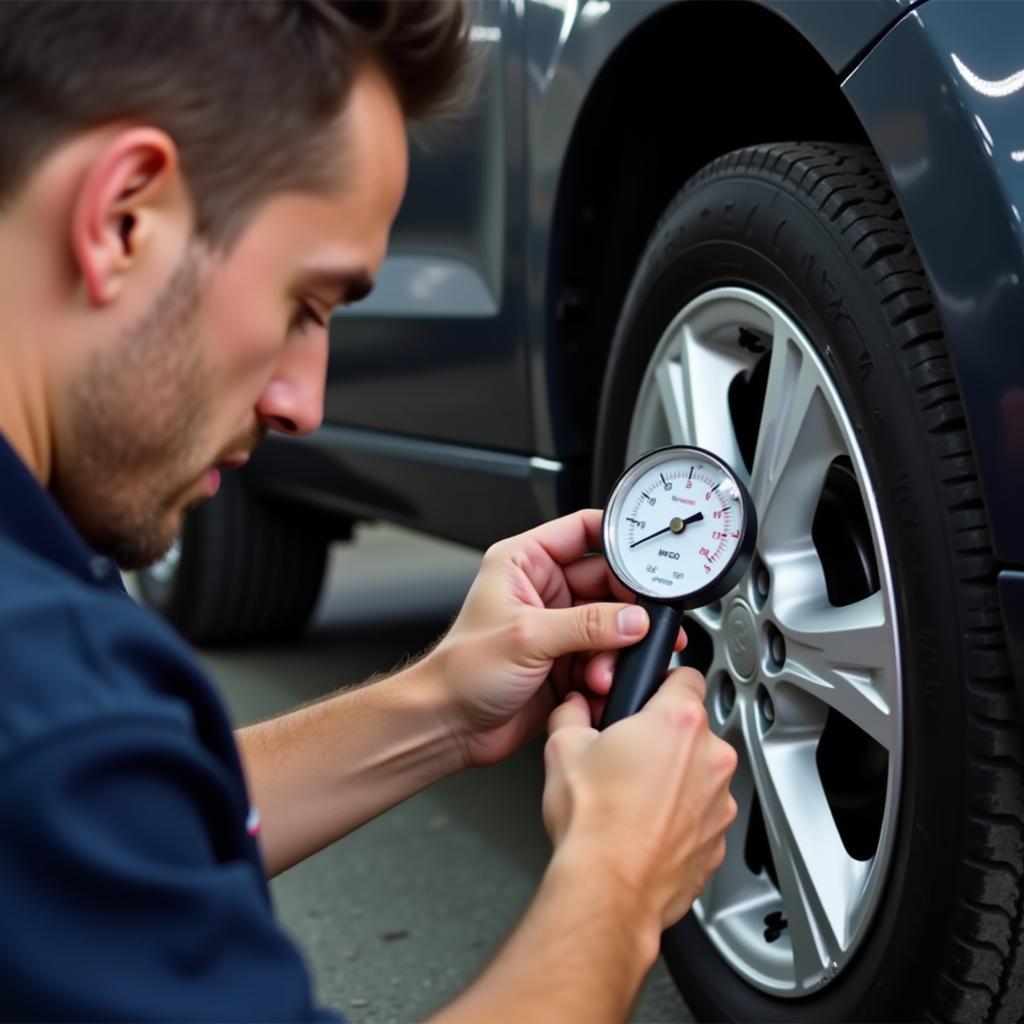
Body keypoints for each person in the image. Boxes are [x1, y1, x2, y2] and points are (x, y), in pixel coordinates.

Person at [0, 2, 737, 1020]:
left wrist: (440, 705)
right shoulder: (47, 694)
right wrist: (616, 885)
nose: (302, 403)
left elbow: (112, 826)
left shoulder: (54, 718)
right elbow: (67, 764)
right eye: (306, 305)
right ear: (125, 214)